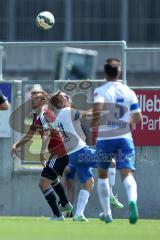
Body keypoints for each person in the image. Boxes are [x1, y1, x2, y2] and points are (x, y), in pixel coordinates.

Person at [91, 58, 142, 224]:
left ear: (105, 73)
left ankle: (107, 214)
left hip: (106, 138)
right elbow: (138, 117)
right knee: (127, 174)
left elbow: (98, 110)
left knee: (103, 176)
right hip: (125, 138)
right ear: (118, 73)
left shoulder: (100, 90)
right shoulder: (129, 92)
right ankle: (132, 201)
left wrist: (93, 123)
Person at [11, 85, 73, 220]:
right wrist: (16, 145)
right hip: (59, 152)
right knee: (52, 179)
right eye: (32, 97)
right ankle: (66, 204)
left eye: (36, 98)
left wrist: (41, 153)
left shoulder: (45, 114)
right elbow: (29, 135)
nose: (32, 100)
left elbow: (46, 134)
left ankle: (58, 215)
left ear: (43, 101)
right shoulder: (37, 116)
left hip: (60, 152)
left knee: (43, 183)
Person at [50, 91, 97, 222]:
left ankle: (78, 214)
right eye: (65, 96)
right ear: (60, 103)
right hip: (81, 152)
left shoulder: (58, 117)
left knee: (88, 183)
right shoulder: (66, 111)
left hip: (73, 155)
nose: (68, 97)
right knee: (112, 162)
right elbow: (88, 113)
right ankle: (111, 196)